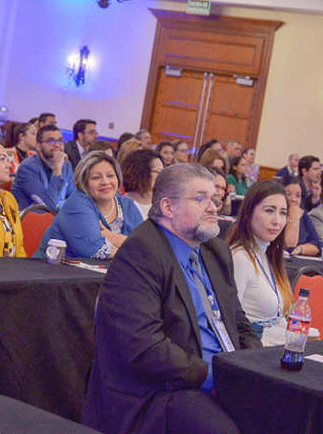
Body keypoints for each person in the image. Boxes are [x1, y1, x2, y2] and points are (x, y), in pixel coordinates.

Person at [82, 163, 261, 434]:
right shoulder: (141, 252)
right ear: (168, 207)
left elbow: (238, 323)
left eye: (214, 199)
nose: (213, 207)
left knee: (289, 413)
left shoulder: (215, 251)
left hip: (222, 375)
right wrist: (217, 377)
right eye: (201, 199)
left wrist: (256, 368)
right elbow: (145, 348)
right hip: (160, 390)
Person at [35, 151, 143, 259]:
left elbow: (146, 245)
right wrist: (135, 253)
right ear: (84, 182)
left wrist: (111, 236)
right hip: (52, 271)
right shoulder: (77, 203)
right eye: (96, 177)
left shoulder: (127, 204)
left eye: (110, 175)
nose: (105, 182)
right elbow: (94, 249)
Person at [229, 181, 292, 337]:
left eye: (283, 213)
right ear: (248, 214)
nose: (277, 221)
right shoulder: (240, 257)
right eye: (269, 211)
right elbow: (230, 319)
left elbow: (278, 317)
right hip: (251, 350)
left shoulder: (268, 255)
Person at [12, 124, 75, 210]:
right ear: (38, 146)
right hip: (30, 220)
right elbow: (48, 206)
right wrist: (57, 168)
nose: (57, 145)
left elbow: (76, 197)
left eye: (60, 141)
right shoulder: (27, 168)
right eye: (51, 141)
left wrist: (59, 205)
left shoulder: (66, 165)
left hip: (57, 220)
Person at [282, 175, 321, 256]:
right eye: (288, 194)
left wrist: (299, 249)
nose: (293, 199)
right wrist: (293, 217)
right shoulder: (275, 217)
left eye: (298, 195)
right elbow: (288, 247)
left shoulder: (303, 215)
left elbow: (317, 244)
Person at [120, 149, 163, 219]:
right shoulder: (123, 206)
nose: (162, 176)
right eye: (159, 172)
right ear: (143, 173)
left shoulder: (161, 204)